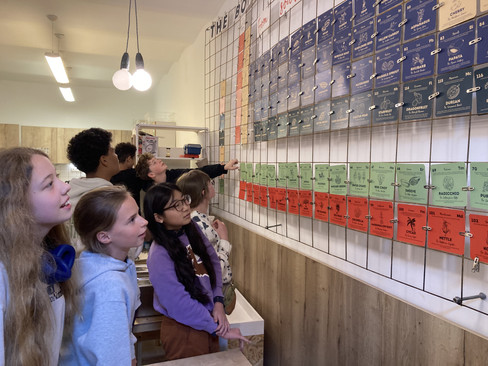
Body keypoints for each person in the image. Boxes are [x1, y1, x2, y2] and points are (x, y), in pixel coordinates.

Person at [144, 183, 248, 360]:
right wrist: (218, 328)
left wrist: (218, 302)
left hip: (208, 321)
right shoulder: (159, 253)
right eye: (176, 205)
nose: (185, 207)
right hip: (184, 330)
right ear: (158, 217)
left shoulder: (192, 229)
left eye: (184, 200)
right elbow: (178, 303)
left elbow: (213, 263)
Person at [0, 147, 78, 365]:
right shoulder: (2, 273)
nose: (66, 187)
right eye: (49, 184)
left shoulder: (47, 253)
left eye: (58, 178)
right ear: (17, 204)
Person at [59, 186, 147, 366]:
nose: (143, 221)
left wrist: (129, 353)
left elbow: (120, 333)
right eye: (131, 220)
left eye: (138, 214)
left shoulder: (109, 265)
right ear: (104, 236)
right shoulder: (109, 286)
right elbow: (110, 355)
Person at [176, 170, 236, 314]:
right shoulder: (198, 226)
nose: (213, 186)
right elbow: (214, 271)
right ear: (203, 192)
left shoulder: (194, 219)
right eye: (211, 183)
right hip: (211, 302)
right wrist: (224, 240)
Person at [135, 152, 239, 185]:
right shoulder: (157, 194)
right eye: (154, 162)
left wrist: (223, 167)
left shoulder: (173, 174)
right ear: (151, 174)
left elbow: (197, 172)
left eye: (156, 159)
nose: (159, 161)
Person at [110, 142, 148, 207]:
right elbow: (147, 187)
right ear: (129, 159)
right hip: (133, 213)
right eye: (133, 159)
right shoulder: (135, 175)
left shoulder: (110, 176)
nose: (133, 162)